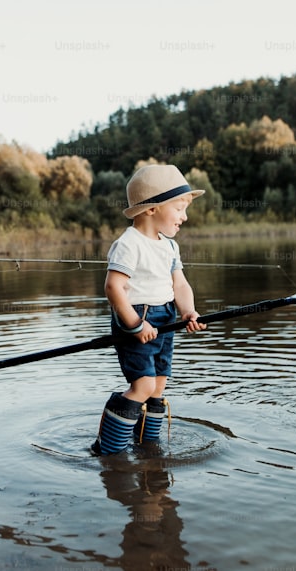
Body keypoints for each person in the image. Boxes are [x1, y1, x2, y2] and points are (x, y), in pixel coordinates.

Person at [92, 164, 206, 455]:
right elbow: (113, 288)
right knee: (142, 386)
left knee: (158, 386)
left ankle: (147, 447)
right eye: (179, 208)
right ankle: (108, 450)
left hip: (165, 316)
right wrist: (134, 323)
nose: (185, 216)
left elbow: (180, 285)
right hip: (137, 318)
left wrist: (188, 312)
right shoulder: (128, 244)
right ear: (153, 209)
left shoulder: (169, 246)